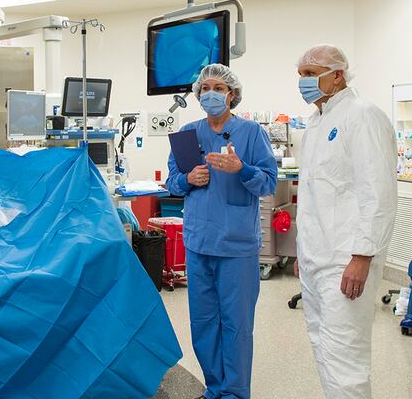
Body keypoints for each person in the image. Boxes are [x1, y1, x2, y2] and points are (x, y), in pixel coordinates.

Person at [167, 64, 278, 399]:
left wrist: (241, 169)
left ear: (232, 94)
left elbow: (269, 182)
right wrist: (188, 180)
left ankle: (235, 393)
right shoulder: (188, 133)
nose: (210, 93)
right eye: (205, 88)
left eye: (218, 88)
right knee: (203, 325)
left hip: (236, 245)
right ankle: (214, 389)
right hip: (199, 243)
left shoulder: (250, 132)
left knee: (236, 326)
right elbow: (172, 181)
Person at [294, 44, 397, 399]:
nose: (303, 82)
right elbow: (315, 198)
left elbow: (378, 193)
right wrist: (302, 255)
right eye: (301, 75)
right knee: (322, 348)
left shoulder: (362, 115)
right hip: (316, 259)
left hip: (346, 259)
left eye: (310, 74)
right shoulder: (316, 123)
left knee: (345, 360)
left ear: (337, 75)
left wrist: (362, 257)